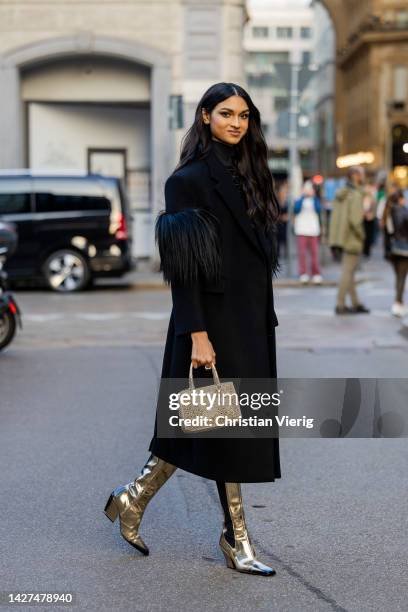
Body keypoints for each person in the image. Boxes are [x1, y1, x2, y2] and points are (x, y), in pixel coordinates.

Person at [103, 83, 281, 576]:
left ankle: (131, 500)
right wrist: (198, 333)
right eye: (226, 113)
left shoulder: (251, 172)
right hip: (210, 323)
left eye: (244, 115)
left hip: (249, 322)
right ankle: (236, 539)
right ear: (204, 116)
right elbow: (184, 270)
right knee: (223, 428)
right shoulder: (188, 179)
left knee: (207, 424)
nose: (236, 123)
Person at [329, 166, 370, 315]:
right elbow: (355, 220)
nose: (363, 176)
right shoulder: (355, 195)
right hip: (352, 238)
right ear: (355, 176)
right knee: (347, 272)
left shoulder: (344, 193)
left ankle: (355, 303)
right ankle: (340, 304)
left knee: (350, 272)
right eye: (362, 174)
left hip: (343, 237)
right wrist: (362, 235)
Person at [382, 189, 408, 317]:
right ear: (400, 199)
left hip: (392, 250)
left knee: (398, 276)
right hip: (403, 249)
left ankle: (398, 303)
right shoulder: (402, 211)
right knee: (401, 278)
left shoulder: (387, 212)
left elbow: (386, 234)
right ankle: (398, 303)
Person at [293, 180, 322, 284]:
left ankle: (316, 273)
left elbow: (318, 209)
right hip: (301, 230)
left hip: (313, 230)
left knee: (314, 253)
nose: (308, 191)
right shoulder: (298, 199)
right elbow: (296, 210)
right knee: (302, 254)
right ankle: (303, 274)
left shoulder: (315, 200)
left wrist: (313, 197)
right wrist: (302, 197)